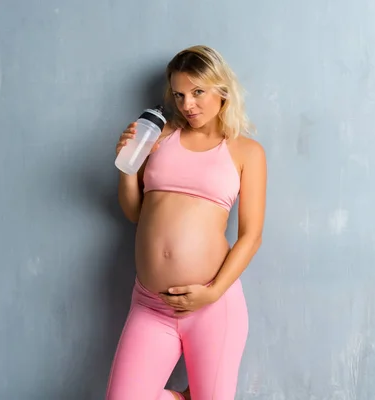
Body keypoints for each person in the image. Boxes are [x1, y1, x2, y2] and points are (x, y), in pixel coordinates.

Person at [106, 45, 267, 400]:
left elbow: (251, 236)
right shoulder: (161, 139)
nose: (187, 105)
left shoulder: (246, 152)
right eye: (179, 95)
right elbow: (136, 213)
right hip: (151, 305)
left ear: (221, 90)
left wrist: (212, 291)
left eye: (198, 92)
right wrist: (126, 167)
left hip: (212, 305)